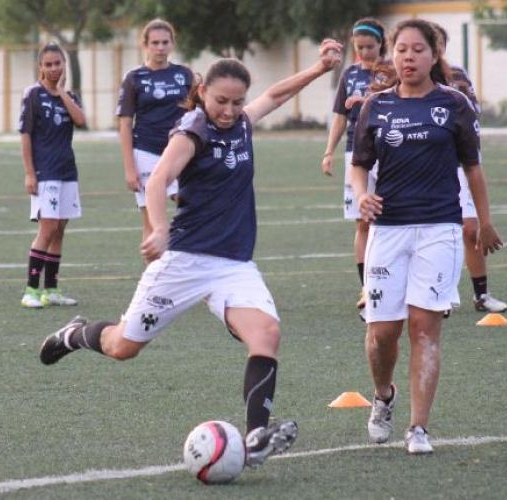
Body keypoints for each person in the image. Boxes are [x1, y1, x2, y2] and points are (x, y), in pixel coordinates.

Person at [39, 40, 343, 467]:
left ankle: (256, 436)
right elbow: (158, 178)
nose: (230, 110)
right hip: (185, 261)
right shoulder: (192, 130)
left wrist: (318, 68)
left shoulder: (241, 124)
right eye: (221, 101)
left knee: (267, 335)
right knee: (123, 347)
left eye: (237, 102)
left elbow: (273, 95)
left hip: (234, 264)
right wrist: (160, 227)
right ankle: (74, 334)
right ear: (203, 93)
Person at [351, 19, 503, 454]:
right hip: (389, 230)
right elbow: (359, 164)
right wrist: (362, 196)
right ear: (391, 55)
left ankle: (418, 428)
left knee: (423, 329)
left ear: (434, 56)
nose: (409, 57)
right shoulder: (375, 108)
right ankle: (383, 397)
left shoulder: (453, 104)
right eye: (402, 50)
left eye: (418, 50)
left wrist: (485, 221)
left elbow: (473, 167)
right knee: (383, 334)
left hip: (439, 229)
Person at [433, 24, 507, 314]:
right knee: (437, 231)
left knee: (470, 229)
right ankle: (440, 295)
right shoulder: (412, 79)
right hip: (431, 167)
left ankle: (482, 294)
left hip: (460, 164)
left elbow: (471, 114)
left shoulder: (458, 76)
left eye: (437, 42)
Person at [320, 18, 390, 312]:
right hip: (356, 154)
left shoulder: (392, 71)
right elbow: (339, 116)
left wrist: (369, 98)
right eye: (359, 47)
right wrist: (328, 152)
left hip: (388, 152)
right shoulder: (349, 74)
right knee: (363, 222)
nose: (364, 53)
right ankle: (367, 286)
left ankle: (392, 280)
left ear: (381, 45)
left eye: (370, 47)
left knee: (388, 220)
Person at [19, 42, 86, 308]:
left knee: (59, 230)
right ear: (41, 67)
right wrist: (29, 173)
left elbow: (81, 120)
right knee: (46, 229)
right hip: (44, 172)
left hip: (67, 171)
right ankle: (31, 291)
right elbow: (25, 135)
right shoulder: (33, 95)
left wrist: (61, 93)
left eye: (58, 63)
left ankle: (52, 290)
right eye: (48, 64)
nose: (54, 68)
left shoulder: (69, 96)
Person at [116, 19, 193, 252]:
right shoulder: (134, 78)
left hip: (178, 153)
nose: (160, 47)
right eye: (155, 43)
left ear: (172, 44)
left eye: (165, 42)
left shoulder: (184, 75)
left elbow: (195, 113)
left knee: (190, 207)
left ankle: (188, 266)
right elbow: (125, 124)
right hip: (146, 153)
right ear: (145, 45)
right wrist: (130, 168)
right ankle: (152, 282)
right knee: (151, 221)